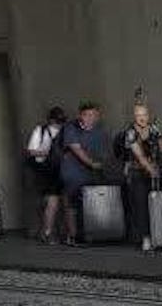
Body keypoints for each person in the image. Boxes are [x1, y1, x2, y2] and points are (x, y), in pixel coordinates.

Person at [123, 102, 162, 252]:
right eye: (138, 115)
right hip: (138, 173)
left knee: (158, 206)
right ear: (134, 117)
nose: (142, 118)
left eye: (144, 115)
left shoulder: (153, 128)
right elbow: (139, 155)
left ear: (148, 115)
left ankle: (161, 237)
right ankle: (146, 238)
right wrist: (150, 170)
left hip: (155, 172)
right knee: (142, 206)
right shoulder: (130, 132)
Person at [60, 102, 108, 245]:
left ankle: (92, 234)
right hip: (73, 173)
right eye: (86, 115)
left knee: (91, 204)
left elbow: (104, 153)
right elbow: (76, 149)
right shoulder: (70, 128)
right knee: (72, 203)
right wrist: (92, 164)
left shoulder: (100, 132)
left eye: (93, 115)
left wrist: (101, 166)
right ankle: (72, 236)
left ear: (98, 116)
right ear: (80, 116)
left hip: (92, 174)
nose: (89, 118)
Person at [27, 106, 66, 243]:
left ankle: (47, 230)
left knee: (52, 201)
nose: (57, 124)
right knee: (52, 201)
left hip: (56, 169)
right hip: (47, 170)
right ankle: (47, 231)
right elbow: (31, 151)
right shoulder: (41, 130)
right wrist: (47, 153)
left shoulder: (51, 130)